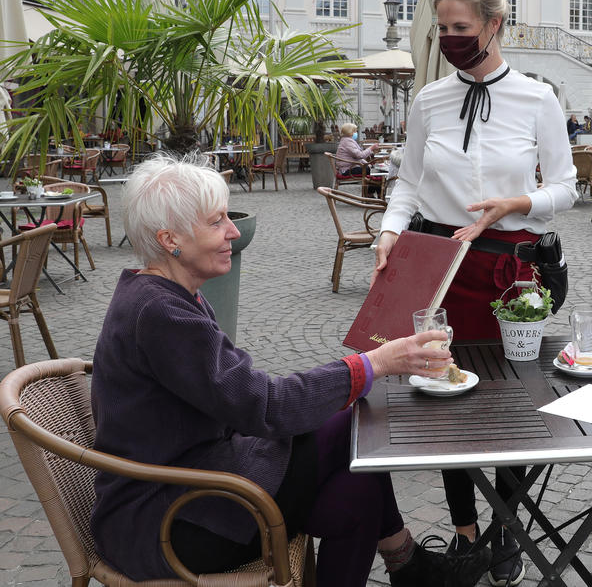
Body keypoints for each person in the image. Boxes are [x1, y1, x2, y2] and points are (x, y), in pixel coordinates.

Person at [89, 154, 489, 587]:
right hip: (167, 520)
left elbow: (240, 396)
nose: (233, 232)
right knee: (349, 421)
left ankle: (407, 563)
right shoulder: (161, 311)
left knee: (357, 491)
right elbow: (264, 405)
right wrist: (376, 362)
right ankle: (411, 566)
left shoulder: (165, 294)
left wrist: (362, 371)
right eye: (216, 221)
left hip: (199, 485)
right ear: (171, 240)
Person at [373, 0, 577, 585]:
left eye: (460, 28)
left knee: (518, 398)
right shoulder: (429, 98)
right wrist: (389, 231)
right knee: (444, 400)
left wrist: (516, 205)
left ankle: (504, 529)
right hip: (437, 261)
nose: (449, 38)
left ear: (494, 26)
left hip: (509, 269)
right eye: (442, 28)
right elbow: (408, 181)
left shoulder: (538, 98)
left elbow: (565, 188)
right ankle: (466, 531)